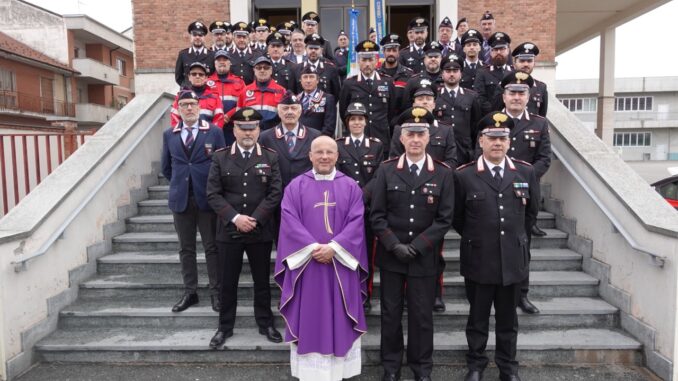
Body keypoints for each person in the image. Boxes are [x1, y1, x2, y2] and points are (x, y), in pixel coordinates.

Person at [453, 111, 539, 381]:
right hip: (478, 258)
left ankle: (507, 368)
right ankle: (476, 365)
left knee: (508, 321)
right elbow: (457, 218)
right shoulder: (464, 176)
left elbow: (531, 214)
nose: (498, 143)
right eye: (492, 138)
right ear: (481, 141)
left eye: (503, 138)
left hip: (513, 259)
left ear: (510, 142)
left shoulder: (525, 171)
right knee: (477, 320)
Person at [370, 107, 454, 381]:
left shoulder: (442, 173)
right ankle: (391, 367)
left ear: (429, 138)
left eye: (420, 134)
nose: (416, 139)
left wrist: (416, 247)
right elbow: (377, 215)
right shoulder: (386, 170)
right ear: (401, 138)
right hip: (392, 255)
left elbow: (444, 219)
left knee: (421, 316)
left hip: (424, 256)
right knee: (391, 314)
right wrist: (394, 245)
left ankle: (421, 368)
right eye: (410, 134)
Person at [275, 135, 368, 381]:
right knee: (310, 319)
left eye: (329, 152)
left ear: (337, 156)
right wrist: (315, 248)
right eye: (319, 152)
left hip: (340, 266)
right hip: (307, 267)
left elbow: (357, 223)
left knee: (340, 317)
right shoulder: (295, 186)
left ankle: (339, 373)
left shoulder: (350, 186)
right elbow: (289, 221)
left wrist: (334, 248)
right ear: (310, 156)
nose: (324, 157)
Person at [206, 107, 283, 348]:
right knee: (227, 283)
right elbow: (213, 194)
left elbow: (275, 193)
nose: (248, 133)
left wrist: (256, 218)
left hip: (260, 231)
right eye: (243, 128)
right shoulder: (220, 157)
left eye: (253, 128)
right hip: (229, 231)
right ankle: (224, 327)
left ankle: (266, 323)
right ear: (234, 129)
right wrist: (235, 218)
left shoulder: (271, 157)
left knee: (262, 282)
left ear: (259, 130)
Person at [161, 90, 226, 313]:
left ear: (199, 107)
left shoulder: (214, 132)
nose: (189, 108)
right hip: (181, 200)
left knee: (212, 247)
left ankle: (216, 293)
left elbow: (222, 165)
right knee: (185, 249)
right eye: (184, 105)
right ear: (178, 110)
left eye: (192, 104)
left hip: (207, 199)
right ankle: (190, 292)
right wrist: (182, 185)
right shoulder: (170, 134)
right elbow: (166, 168)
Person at [499, 71, 552, 313]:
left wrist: (522, 178)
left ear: (529, 97)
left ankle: (522, 294)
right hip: (495, 190)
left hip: (524, 194)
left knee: (523, 246)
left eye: (521, 93)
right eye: (512, 93)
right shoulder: (494, 121)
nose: (517, 97)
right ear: (504, 96)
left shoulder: (539, 123)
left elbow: (544, 159)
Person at [335, 102, 384, 312]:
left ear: (366, 121)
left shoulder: (376, 145)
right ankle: (345, 292)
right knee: (344, 252)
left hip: (367, 209)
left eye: (360, 119)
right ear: (347, 123)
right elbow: (335, 175)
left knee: (367, 254)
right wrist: (349, 197)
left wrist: (361, 196)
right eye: (352, 119)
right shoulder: (338, 145)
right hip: (343, 210)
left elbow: (379, 176)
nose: (356, 122)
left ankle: (365, 295)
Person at [339, 40, 396, 158]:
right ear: (359, 61)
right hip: (357, 137)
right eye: (364, 60)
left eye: (370, 60)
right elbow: (344, 112)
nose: (367, 64)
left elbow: (391, 111)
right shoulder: (349, 83)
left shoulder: (388, 82)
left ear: (376, 61)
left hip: (381, 137)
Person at [258, 92, 322, 188]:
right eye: (285, 108)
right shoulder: (265, 137)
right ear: (278, 112)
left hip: (306, 191)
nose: (289, 112)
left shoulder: (315, 136)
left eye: (294, 108)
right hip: (276, 193)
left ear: (300, 112)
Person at [434, 54, 482, 165]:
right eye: (448, 71)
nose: (451, 74)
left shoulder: (472, 96)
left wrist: (475, 152)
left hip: (464, 151)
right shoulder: (435, 95)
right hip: (441, 149)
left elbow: (476, 127)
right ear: (442, 74)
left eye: (455, 71)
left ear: (461, 74)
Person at [206, 50, 246, 145]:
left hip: (233, 127)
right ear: (215, 63)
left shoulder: (239, 82)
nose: (222, 62)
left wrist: (228, 116)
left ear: (230, 63)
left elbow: (244, 103)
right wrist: (218, 118)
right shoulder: (207, 82)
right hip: (212, 126)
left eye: (225, 59)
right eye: (219, 60)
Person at [237, 56, 286, 131]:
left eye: (266, 68)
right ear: (254, 70)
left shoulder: (281, 91)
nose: (262, 70)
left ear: (271, 70)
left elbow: (285, 117)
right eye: (259, 68)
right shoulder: (245, 91)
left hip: (273, 133)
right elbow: (239, 117)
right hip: (251, 132)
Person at [170, 62, 224, 128]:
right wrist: (184, 133)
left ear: (206, 78)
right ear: (189, 77)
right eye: (194, 74)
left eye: (201, 74)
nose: (197, 76)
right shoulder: (180, 97)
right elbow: (174, 117)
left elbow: (219, 118)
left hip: (208, 136)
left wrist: (211, 134)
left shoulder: (214, 97)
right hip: (187, 136)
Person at [474, 31, 513, 115]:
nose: (498, 52)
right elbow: (480, 98)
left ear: (508, 51)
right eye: (495, 49)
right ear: (490, 52)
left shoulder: (514, 72)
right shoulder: (482, 73)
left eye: (502, 49)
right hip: (490, 117)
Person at [401, 41, 444, 108]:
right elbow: (406, 106)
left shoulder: (447, 80)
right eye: (430, 57)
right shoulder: (413, 81)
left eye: (436, 57)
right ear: (424, 60)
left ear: (441, 59)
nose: (433, 59)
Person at [378, 33, 415, 112]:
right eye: (388, 50)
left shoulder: (408, 74)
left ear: (398, 53)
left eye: (394, 50)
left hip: (401, 120)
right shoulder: (376, 75)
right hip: (382, 120)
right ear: (384, 52)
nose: (391, 53)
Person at [297, 66, 337, 137]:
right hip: (299, 141)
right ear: (300, 80)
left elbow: (329, 126)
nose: (308, 80)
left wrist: (319, 141)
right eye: (305, 77)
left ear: (317, 80)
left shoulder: (327, 98)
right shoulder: (296, 99)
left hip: (319, 141)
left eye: (311, 77)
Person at [512, 42, 548, 117]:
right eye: (522, 61)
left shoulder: (541, 87)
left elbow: (542, 116)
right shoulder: (505, 85)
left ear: (534, 63)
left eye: (529, 61)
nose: (526, 64)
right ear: (514, 63)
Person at [175, 21, 211, 87]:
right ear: (191, 37)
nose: (197, 37)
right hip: (188, 92)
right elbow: (178, 77)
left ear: (204, 37)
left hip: (206, 93)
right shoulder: (183, 54)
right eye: (194, 35)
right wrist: (186, 88)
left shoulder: (212, 55)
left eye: (200, 35)